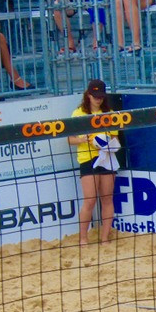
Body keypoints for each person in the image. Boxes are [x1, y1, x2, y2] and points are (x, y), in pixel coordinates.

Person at [68, 79, 119, 245]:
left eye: (101, 96)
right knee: (90, 200)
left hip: (106, 158)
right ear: (88, 95)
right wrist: (84, 139)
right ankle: (83, 238)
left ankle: (104, 238)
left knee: (107, 198)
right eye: (95, 96)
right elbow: (70, 139)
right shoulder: (78, 114)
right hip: (87, 159)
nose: (98, 99)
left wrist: (104, 142)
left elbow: (115, 138)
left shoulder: (109, 113)